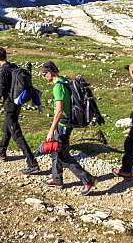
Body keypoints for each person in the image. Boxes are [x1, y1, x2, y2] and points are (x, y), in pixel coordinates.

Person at [41, 61, 97, 194]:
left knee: (63, 155)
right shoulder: (64, 81)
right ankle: (56, 178)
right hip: (68, 123)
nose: (43, 77)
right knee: (57, 151)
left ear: (50, 73)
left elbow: (59, 111)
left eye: (43, 74)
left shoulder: (57, 87)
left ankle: (87, 179)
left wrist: (51, 130)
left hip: (63, 125)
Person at [0, 47, 40, 175]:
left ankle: (32, 163)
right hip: (17, 102)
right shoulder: (13, 67)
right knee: (7, 126)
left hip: (9, 104)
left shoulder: (2, 71)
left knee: (16, 133)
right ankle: (1, 152)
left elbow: (1, 91)